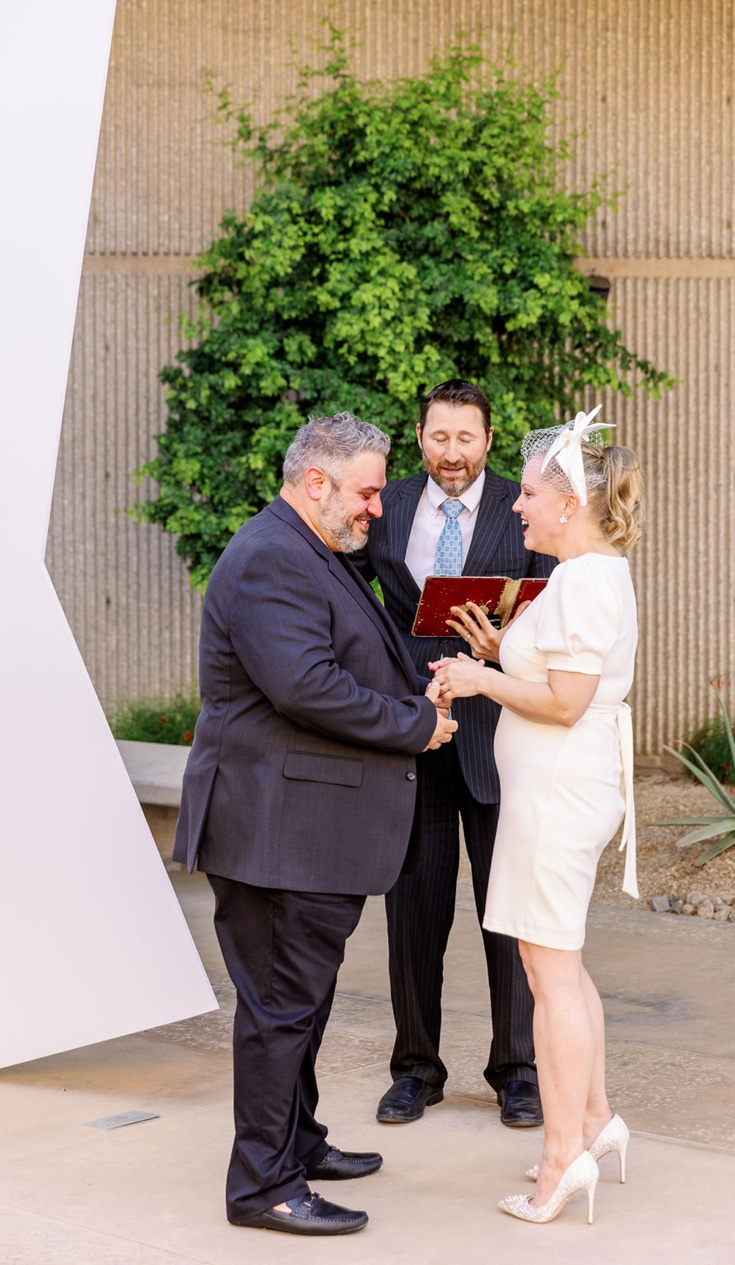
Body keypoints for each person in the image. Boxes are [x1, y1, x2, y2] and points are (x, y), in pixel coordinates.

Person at [173, 414, 457, 1236]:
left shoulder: (307, 551)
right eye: (368, 492)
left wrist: (418, 689)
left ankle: (295, 1141)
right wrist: (413, 726)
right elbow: (308, 686)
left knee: (301, 1003)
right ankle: (263, 1186)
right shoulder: (270, 557)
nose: (377, 508)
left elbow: (343, 660)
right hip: (273, 832)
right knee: (278, 1010)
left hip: (299, 832)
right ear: (317, 482)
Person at [430, 410, 643, 1225]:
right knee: (559, 964)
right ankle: (592, 1121)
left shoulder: (586, 577)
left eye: (525, 495)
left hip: (558, 791)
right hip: (552, 788)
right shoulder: (582, 574)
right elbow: (551, 670)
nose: (515, 508)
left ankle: (562, 1160)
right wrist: (492, 654)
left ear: (567, 503)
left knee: (548, 976)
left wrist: (481, 683)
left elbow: (566, 700)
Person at [354, 379, 552, 1130]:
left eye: (466, 438)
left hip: (498, 736)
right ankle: (415, 1069)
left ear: (489, 441)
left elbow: (551, 603)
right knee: (413, 914)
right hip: (413, 732)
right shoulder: (389, 505)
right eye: (439, 437)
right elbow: (353, 600)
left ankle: (518, 1070)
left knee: (507, 914)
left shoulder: (522, 505)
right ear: (420, 436)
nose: (452, 452)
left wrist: (508, 649)